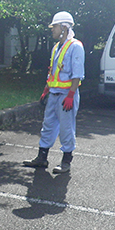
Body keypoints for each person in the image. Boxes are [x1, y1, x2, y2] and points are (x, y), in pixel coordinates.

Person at [23, 11, 85, 173]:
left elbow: (77, 75)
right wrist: (46, 91)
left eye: (54, 26)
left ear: (64, 27)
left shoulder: (76, 46)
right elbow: (53, 72)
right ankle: (42, 158)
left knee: (66, 128)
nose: (52, 29)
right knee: (48, 126)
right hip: (54, 94)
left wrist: (71, 95)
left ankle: (66, 161)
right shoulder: (57, 47)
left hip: (66, 95)